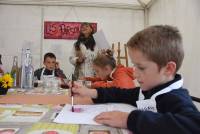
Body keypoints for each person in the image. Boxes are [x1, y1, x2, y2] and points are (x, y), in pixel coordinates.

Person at [72, 25, 200, 134]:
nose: (135, 73)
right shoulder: (148, 90)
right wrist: (91, 92)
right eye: (134, 65)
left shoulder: (176, 98)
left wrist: (128, 120)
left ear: (168, 69)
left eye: (141, 67)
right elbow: (120, 93)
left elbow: (194, 125)